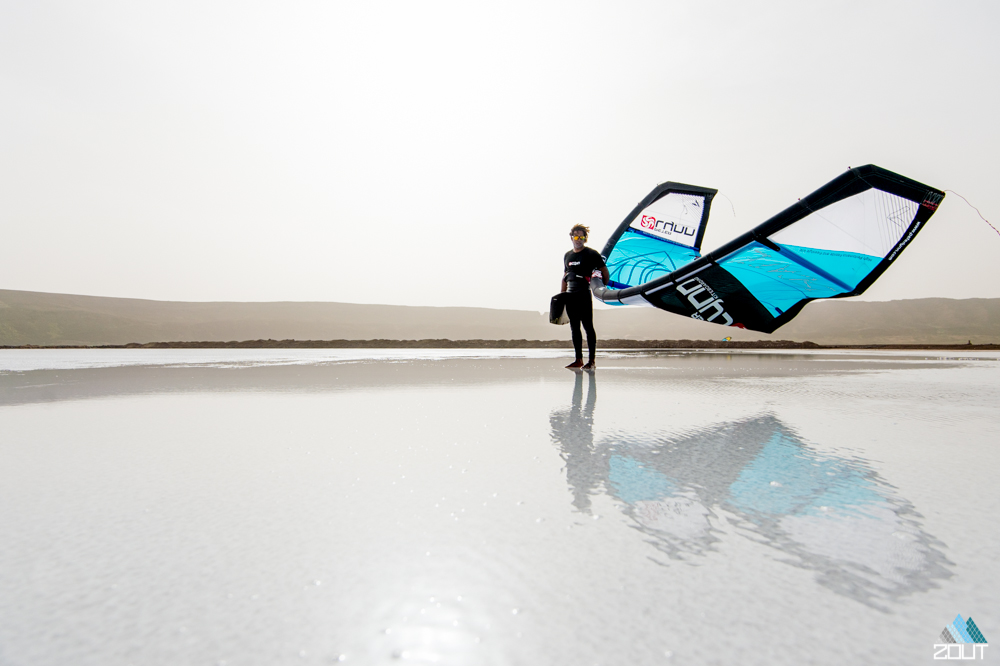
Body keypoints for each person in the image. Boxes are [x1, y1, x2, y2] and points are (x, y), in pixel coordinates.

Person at [561, 224, 609, 370]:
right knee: (574, 328)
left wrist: (601, 288)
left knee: (588, 327)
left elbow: (604, 271)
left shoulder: (591, 254)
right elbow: (564, 276)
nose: (578, 239)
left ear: (585, 238)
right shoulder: (568, 255)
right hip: (570, 295)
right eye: (576, 236)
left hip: (584, 294)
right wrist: (562, 295)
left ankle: (592, 361)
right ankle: (578, 360)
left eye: (581, 236)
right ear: (571, 237)